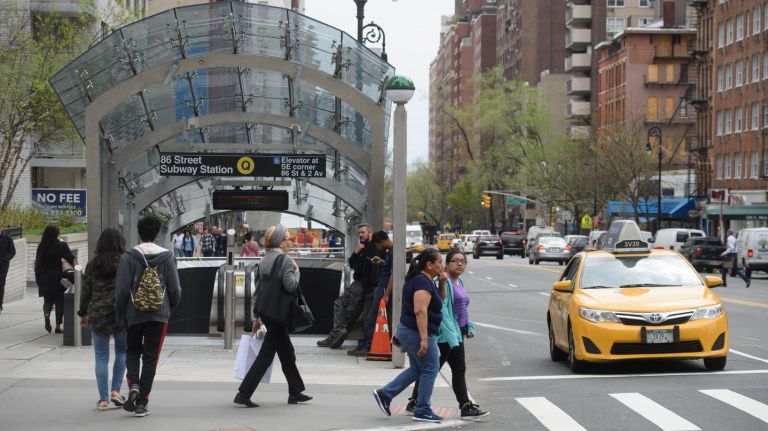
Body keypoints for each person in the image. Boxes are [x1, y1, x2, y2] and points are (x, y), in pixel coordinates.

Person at [234, 225, 312, 408]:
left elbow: (258, 291)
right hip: (279, 314)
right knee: (266, 355)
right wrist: (297, 271)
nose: (290, 241)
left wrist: (257, 317)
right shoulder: (285, 260)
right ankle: (243, 393)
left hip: (268, 312)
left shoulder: (264, 260)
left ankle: (295, 391)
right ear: (280, 242)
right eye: (287, 238)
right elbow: (291, 287)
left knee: (287, 352)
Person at [406, 250, 489, 418]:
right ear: (447, 263)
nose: (459, 264)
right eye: (455, 261)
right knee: (432, 369)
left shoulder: (460, 282)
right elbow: (441, 310)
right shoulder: (442, 281)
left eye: (463, 261)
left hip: (457, 334)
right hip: (445, 335)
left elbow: (460, 309)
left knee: (458, 370)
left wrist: (468, 326)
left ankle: (465, 406)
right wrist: (452, 335)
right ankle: (415, 402)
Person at [115, 215, 182, 417]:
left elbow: (121, 290)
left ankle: (133, 384)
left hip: (134, 314)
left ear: (139, 232)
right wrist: (169, 309)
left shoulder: (129, 256)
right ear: (157, 233)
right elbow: (175, 289)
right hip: (159, 315)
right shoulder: (167, 257)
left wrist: (121, 314)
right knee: (151, 358)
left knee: (132, 352)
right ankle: (142, 403)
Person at [372, 248, 446, 423]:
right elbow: (420, 311)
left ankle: (385, 394)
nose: (442, 265)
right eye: (440, 262)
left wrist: (441, 284)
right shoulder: (422, 283)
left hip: (411, 331)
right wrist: (424, 339)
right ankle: (422, 409)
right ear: (429, 265)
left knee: (417, 369)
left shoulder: (426, 280)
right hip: (416, 332)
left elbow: (439, 301)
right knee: (430, 368)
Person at [78, 228, 128, 411]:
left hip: (98, 314)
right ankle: (116, 391)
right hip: (120, 314)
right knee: (122, 352)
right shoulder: (125, 263)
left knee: (101, 356)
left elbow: (85, 292)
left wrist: (82, 313)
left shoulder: (92, 265)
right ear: (119, 243)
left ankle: (103, 400)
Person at [317, 224, 384, 349]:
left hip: (363, 285)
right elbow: (352, 264)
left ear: (370, 233)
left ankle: (336, 335)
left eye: (362, 232)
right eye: (359, 233)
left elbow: (372, 270)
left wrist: (368, 287)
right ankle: (336, 335)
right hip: (357, 283)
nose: (360, 235)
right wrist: (356, 252)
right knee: (340, 305)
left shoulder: (373, 247)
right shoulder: (363, 248)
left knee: (349, 311)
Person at [349, 232, 393, 356]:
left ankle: (367, 345)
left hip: (383, 288)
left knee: (372, 317)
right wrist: (382, 262)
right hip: (382, 287)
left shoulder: (393, 251)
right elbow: (390, 268)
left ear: (383, 241)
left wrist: (386, 294)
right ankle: (366, 344)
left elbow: (393, 274)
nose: (378, 248)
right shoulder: (391, 251)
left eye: (378, 245)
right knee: (371, 317)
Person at [34, 225, 75, 334]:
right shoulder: (61, 245)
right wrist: (77, 269)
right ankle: (58, 326)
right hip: (57, 277)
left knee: (47, 300)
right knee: (59, 301)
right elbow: (71, 258)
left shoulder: (41, 246)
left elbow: (38, 263)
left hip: (44, 276)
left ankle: (47, 315)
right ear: (57, 234)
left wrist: (38, 277)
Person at [0, 227, 16, 313]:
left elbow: (13, 252)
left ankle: (0, 304)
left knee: (1, 285)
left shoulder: (8, 238)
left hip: (3, 266)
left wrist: (5, 259)